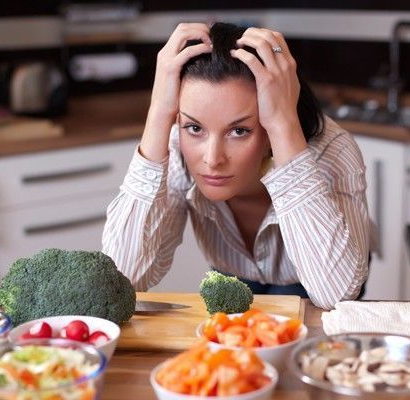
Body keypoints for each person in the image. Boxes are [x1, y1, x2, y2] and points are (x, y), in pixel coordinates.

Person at [102, 22, 370, 310]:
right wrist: (158, 113)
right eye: (194, 127)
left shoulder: (331, 151)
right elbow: (122, 278)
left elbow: (336, 295)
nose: (212, 158)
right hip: (232, 274)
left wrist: (283, 125)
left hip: (317, 279)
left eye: (239, 131)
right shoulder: (176, 146)